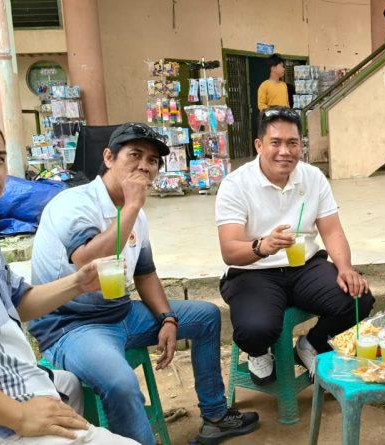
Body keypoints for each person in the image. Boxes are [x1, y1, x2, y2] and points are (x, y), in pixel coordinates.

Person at [28, 123, 258, 445]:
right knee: (121, 383)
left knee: (205, 316)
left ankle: (216, 417)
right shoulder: (73, 203)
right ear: (109, 158)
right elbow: (87, 261)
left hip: (121, 313)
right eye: (134, 155)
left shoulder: (137, 216)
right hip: (72, 325)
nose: (144, 166)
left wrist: (167, 318)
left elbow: (145, 274)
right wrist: (132, 206)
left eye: (152, 161)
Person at [0, 108, 138, 445]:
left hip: (11, 379)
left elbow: (18, 301)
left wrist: (78, 282)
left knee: (66, 385)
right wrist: (20, 417)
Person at [215, 106, 375, 385]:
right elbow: (229, 250)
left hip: (304, 266)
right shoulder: (235, 185)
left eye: (292, 143)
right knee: (255, 329)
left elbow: (332, 231)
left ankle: (310, 344)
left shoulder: (313, 177)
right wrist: (262, 246)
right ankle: (258, 351)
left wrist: (345, 267)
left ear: (301, 145)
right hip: (253, 271)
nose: (285, 152)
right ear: (259, 145)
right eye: (275, 143)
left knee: (358, 299)